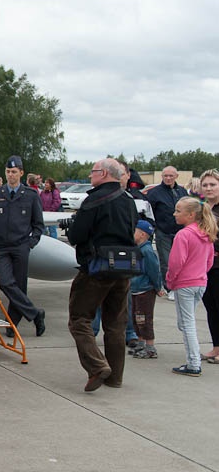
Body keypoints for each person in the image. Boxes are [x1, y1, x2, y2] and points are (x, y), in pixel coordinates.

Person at [65, 158, 137, 392]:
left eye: (93, 172)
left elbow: (77, 235)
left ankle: (97, 367)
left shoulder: (94, 199)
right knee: (116, 323)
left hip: (96, 268)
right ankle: (115, 378)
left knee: (79, 319)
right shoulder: (128, 200)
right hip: (124, 268)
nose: (90, 176)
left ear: (104, 173)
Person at [0, 155, 46, 337]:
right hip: (1, 247)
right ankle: (35, 314)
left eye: (14, 172)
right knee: (5, 283)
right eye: (8, 172)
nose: (11, 175)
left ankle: (12, 324)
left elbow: (38, 224)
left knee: (19, 286)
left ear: (21, 173)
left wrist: (30, 243)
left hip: (21, 246)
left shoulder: (31, 195)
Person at [166, 196, 217, 376]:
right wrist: (201, 275)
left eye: (178, 211)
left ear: (190, 215)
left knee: (187, 324)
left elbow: (175, 262)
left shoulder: (184, 235)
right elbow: (209, 260)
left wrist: (171, 281)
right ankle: (193, 361)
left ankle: (193, 363)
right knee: (186, 322)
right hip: (200, 283)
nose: (175, 214)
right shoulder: (207, 234)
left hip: (185, 284)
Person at [146, 166, 188, 295]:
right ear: (162, 177)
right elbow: (149, 212)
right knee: (166, 261)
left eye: (171, 176)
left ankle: (181, 283)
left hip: (181, 232)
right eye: (166, 176)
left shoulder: (182, 191)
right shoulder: (154, 193)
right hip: (163, 232)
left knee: (182, 260)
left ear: (176, 176)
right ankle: (169, 287)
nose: (168, 178)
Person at [128, 220, 165, 359]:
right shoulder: (137, 249)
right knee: (136, 318)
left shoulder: (147, 251)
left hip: (145, 290)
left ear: (142, 234)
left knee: (145, 318)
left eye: (134, 231)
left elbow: (154, 270)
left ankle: (150, 347)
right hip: (136, 288)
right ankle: (141, 342)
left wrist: (158, 287)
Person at [199, 169, 219, 365]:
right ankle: (216, 347)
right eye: (205, 185)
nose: (209, 188)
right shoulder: (202, 209)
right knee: (211, 308)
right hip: (205, 267)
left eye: (212, 184)